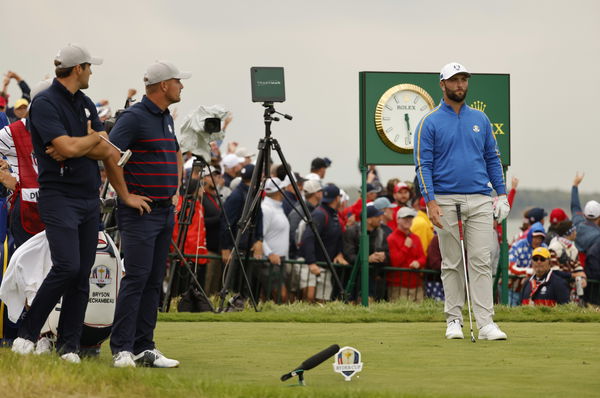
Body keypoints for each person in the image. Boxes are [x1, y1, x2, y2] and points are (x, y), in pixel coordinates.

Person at [11, 44, 113, 362]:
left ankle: (69, 345)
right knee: (67, 266)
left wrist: (84, 142)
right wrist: (89, 140)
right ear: (77, 68)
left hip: (87, 197)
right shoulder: (44, 103)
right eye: (89, 67)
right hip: (59, 197)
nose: (92, 72)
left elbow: (102, 149)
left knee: (82, 272)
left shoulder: (83, 103)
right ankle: (27, 333)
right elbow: (69, 148)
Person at [414, 62, 510, 340]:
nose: (460, 85)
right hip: (444, 199)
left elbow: (492, 158)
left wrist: (501, 194)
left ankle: (486, 323)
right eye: (454, 80)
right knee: (452, 262)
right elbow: (423, 165)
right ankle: (453, 319)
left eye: (464, 80)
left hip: (480, 198)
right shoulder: (429, 122)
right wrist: (430, 202)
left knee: (481, 260)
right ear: (442, 84)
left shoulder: (480, 119)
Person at [106, 61, 190, 368]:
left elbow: (176, 153)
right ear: (164, 85)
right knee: (137, 279)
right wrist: (125, 195)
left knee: (154, 281)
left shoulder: (165, 117)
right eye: (178, 81)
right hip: (141, 213)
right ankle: (122, 348)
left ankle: (144, 346)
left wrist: (177, 189)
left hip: (164, 211)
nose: (182, 86)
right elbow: (110, 155)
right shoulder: (134, 117)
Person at [300, 183, 348, 302]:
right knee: (309, 298)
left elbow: (337, 238)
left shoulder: (333, 215)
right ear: (337, 198)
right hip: (313, 265)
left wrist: (339, 253)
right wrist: (311, 262)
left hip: (325, 266)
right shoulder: (320, 214)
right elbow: (308, 237)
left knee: (323, 301)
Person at [343, 204, 389, 300]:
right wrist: (367, 259)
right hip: (352, 277)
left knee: (369, 302)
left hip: (372, 278)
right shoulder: (352, 232)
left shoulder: (381, 233)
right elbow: (349, 255)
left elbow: (388, 255)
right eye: (377, 216)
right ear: (368, 219)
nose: (380, 218)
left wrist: (383, 257)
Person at [386, 207, 426, 302]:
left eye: (410, 218)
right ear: (398, 220)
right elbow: (395, 262)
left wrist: (419, 263)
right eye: (405, 218)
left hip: (416, 285)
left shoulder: (416, 238)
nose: (408, 220)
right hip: (398, 286)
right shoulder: (391, 238)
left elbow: (423, 257)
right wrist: (406, 247)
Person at [260, 177, 290, 302]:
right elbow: (260, 237)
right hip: (270, 261)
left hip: (279, 261)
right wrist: (270, 254)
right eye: (283, 188)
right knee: (281, 296)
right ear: (279, 191)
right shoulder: (266, 209)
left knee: (272, 298)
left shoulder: (278, 207)